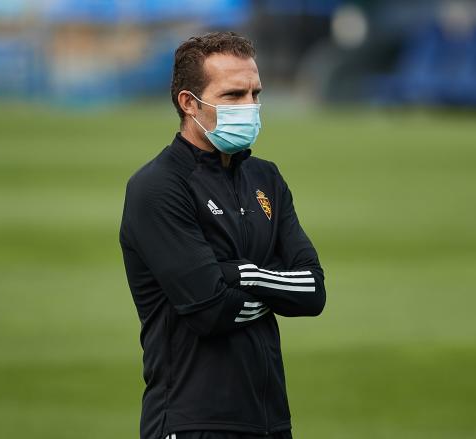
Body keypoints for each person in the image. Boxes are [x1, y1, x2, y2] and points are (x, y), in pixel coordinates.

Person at [119, 31, 326, 439]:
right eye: (233, 95)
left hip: (270, 422)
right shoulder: (159, 186)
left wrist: (236, 274)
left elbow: (314, 291)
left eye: (255, 93)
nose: (250, 107)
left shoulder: (266, 177)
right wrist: (271, 285)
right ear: (188, 103)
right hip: (192, 421)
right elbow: (210, 309)